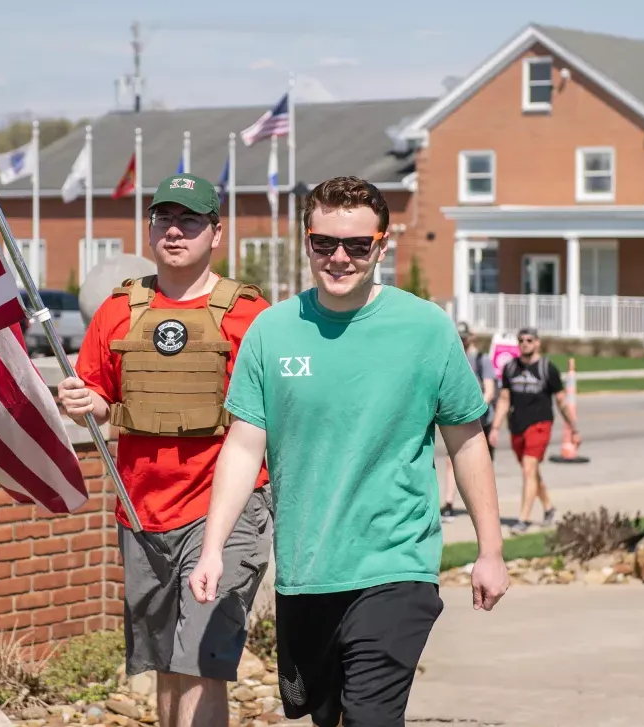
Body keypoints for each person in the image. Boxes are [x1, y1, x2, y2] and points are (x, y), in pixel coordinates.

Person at [188, 176, 509, 727]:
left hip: (395, 563)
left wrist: (491, 549)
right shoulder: (273, 331)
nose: (339, 258)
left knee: (371, 716)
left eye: (357, 246)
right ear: (307, 242)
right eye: (324, 244)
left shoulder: (425, 329)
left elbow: (466, 440)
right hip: (307, 571)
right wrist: (213, 546)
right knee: (326, 715)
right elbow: (243, 446)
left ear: (381, 246)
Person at [58, 173, 272, 727]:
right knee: (167, 667)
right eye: (164, 219)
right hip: (142, 510)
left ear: (216, 233)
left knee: (202, 659)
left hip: (225, 509)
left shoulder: (252, 315)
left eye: (190, 220)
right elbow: (99, 400)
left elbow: (279, 413)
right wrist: (82, 400)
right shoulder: (118, 310)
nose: (175, 231)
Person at [489, 327, 579, 533]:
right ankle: (548, 507)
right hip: (516, 427)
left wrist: (574, 428)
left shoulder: (548, 369)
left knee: (529, 469)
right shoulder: (510, 368)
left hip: (540, 425)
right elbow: (504, 400)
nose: (524, 343)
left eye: (529, 340)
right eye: (521, 340)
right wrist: (495, 427)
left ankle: (523, 519)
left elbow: (561, 402)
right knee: (531, 472)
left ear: (538, 343)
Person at [441, 321, 498, 521]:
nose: (462, 341)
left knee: (482, 467)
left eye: (464, 337)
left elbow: (490, 390)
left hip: (482, 420)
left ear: (471, 338)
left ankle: (484, 510)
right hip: (459, 421)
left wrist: (474, 408)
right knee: (451, 461)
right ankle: (448, 504)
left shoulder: (481, 359)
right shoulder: (453, 357)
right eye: (459, 337)